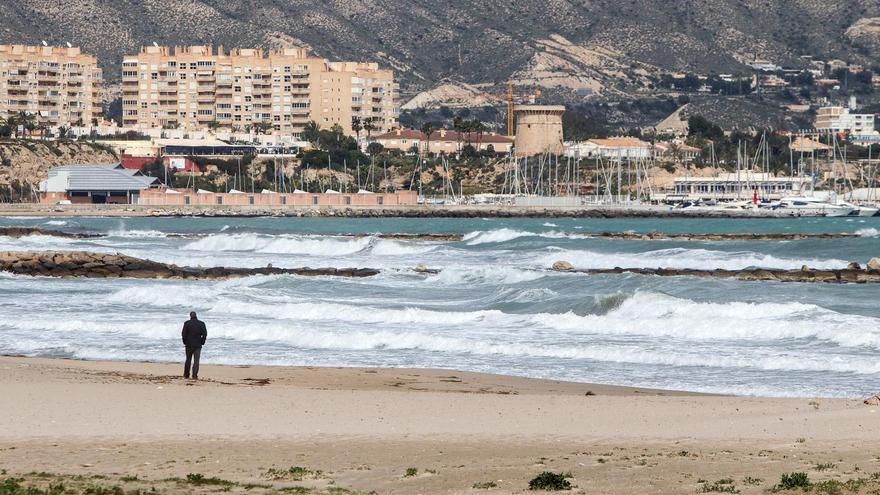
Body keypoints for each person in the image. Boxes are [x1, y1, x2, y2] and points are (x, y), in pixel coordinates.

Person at [181, 311, 207, 380]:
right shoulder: (201, 323)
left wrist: (184, 342)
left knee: (188, 360)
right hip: (198, 345)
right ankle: (194, 376)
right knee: (196, 361)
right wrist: (202, 342)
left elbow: (183, 334)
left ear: (190, 316)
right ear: (196, 316)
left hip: (189, 344)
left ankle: (186, 375)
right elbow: (205, 334)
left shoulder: (187, 323)